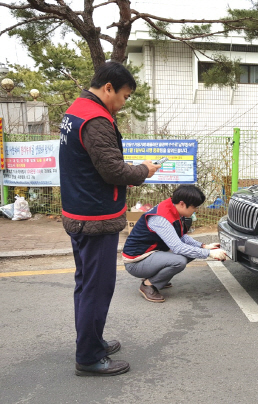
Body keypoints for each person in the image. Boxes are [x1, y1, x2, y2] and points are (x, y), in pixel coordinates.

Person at [59, 62, 160, 376]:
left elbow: (98, 163)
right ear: (108, 88)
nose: (125, 102)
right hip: (95, 217)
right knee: (97, 288)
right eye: (125, 95)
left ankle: (92, 340)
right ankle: (88, 357)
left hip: (79, 210)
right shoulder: (96, 119)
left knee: (85, 284)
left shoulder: (76, 110)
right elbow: (114, 171)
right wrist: (144, 170)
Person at [122, 185, 227, 303]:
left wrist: (203, 246)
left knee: (191, 252)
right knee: (179, 261)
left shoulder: (172, 209)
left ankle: (158, 278)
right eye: (194, 207)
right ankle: (148, 284)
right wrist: (209, 253)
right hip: (136, 262)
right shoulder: (161, 218)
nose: (195, 210)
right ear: (182, 204)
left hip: (150, 254)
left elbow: (180, 236)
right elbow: (178, 247)